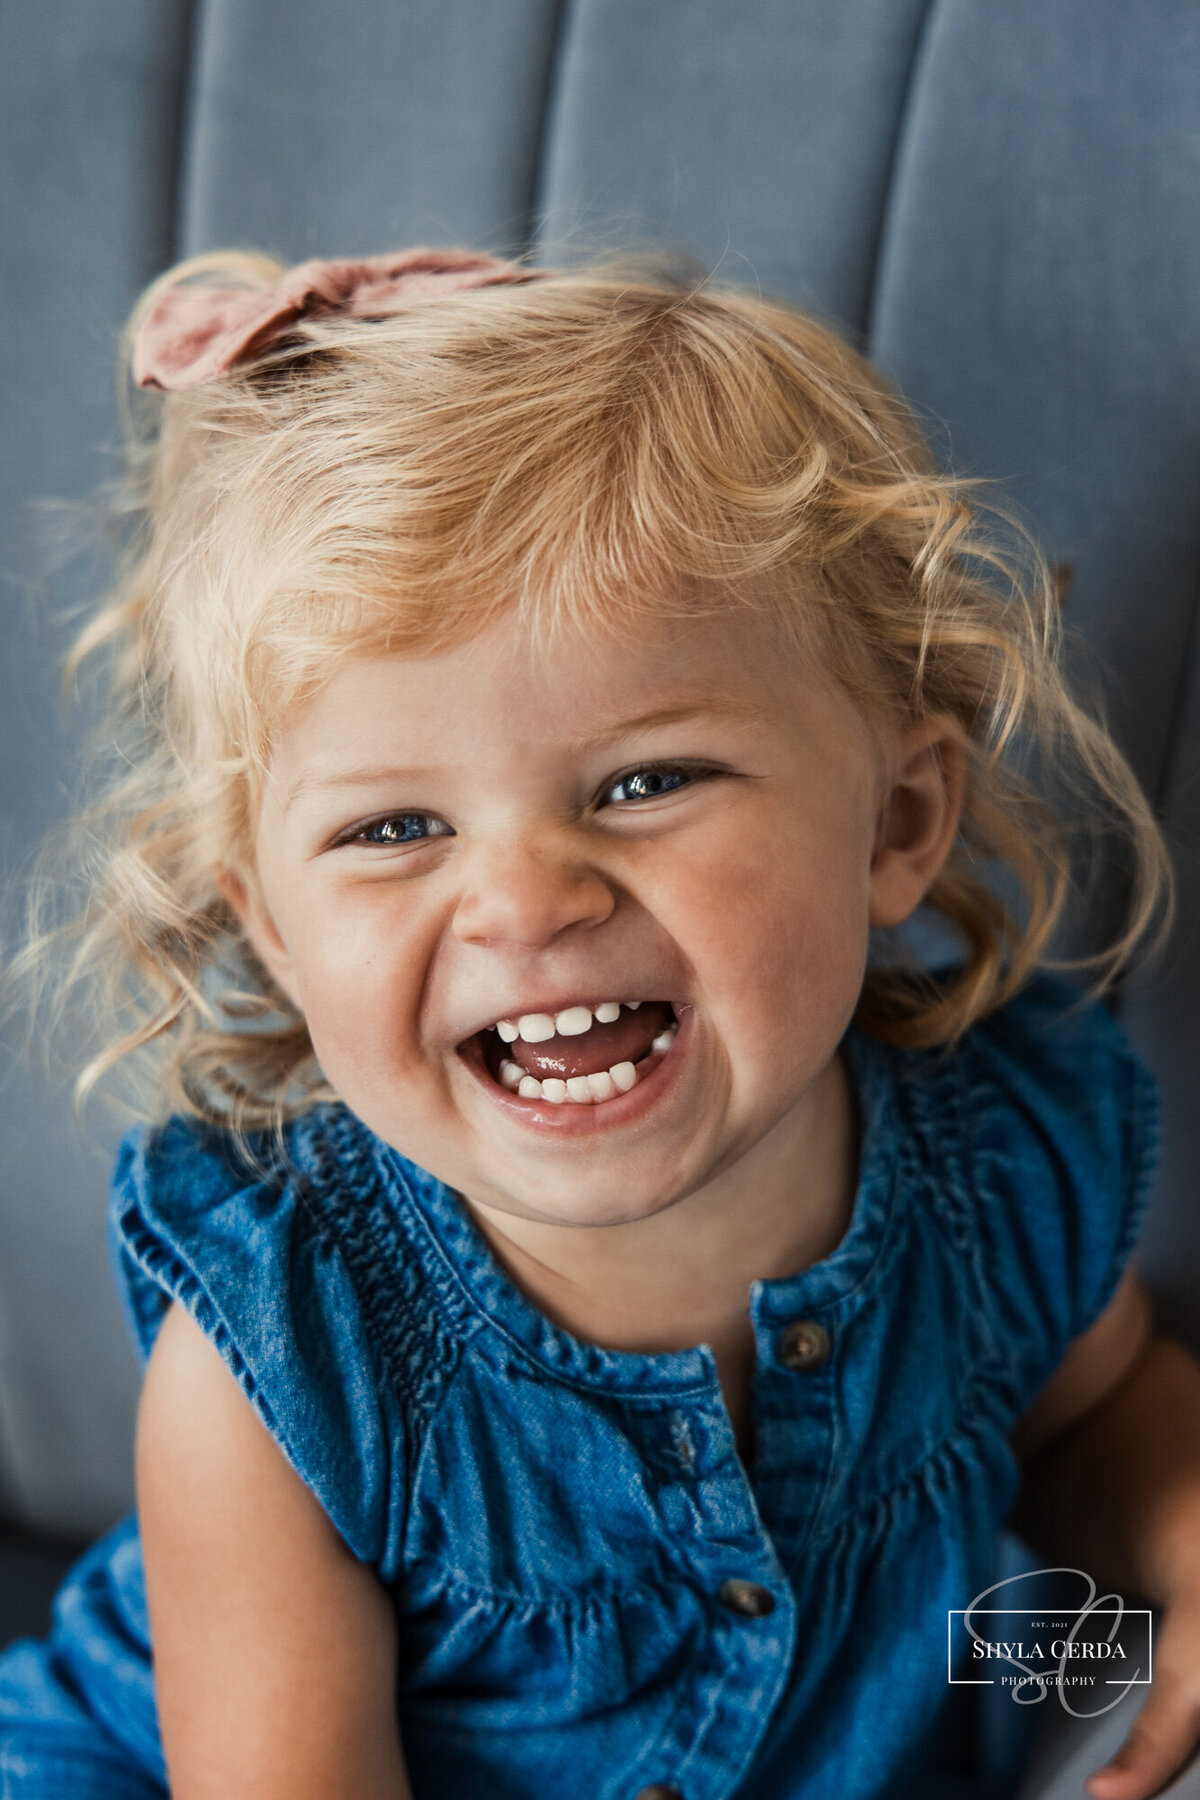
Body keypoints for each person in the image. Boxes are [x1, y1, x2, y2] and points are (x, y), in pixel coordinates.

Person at [0, 242, 1197, 1800]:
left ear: (898, 819)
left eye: (644, 784)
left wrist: (1174, 1557)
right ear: (275, 932)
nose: (523, 900)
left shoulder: (998, 1158)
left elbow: (1090, 1419)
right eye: (393, 829)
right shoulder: (287, 1354)